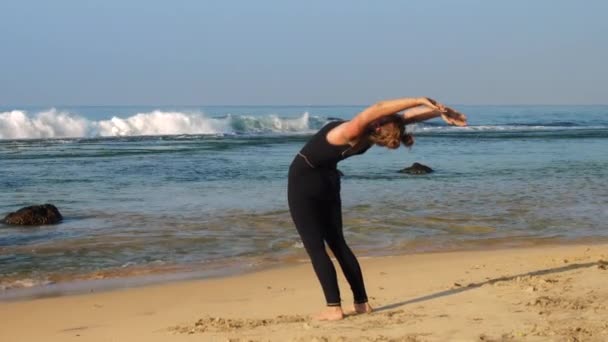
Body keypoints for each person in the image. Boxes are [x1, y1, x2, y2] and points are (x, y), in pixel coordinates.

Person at [287, 97, 467, 321]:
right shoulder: (370, 136)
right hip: (329, 179)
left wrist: (420, 99)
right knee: (338, 243)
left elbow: (380, 108)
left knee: (315, 247)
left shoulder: (353, 131)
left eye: (380, 119)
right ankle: (361, 304)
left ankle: (333, 307)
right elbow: (403, 117)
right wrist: (442, 111)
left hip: (304, 180)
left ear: (378, 125)